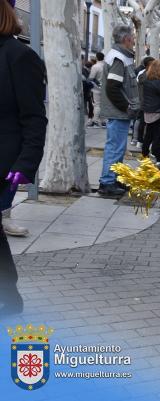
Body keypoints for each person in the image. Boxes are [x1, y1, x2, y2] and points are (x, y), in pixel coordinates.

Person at [0, 0, 47, 316]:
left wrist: (25, 166)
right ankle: (9, 294)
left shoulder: (19, 56)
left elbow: (34, 118)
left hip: (5, 163)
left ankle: (7, 294)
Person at [98, 25, 140, 197]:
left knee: (117, 147)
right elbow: (113, 87)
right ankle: (107, 182)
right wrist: (126, 107)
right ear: (126, 39)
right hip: (118, 112)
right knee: (115, 147)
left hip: (120, 111)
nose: (134, 40)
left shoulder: (121, 57)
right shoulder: (118, 58)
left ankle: (113, 179)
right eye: (133, 37)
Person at [142, 60, 160, 159]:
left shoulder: (147, 81)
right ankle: (157, 155)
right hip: (158, 112)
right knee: (157, 136)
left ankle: (144, 154)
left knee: (148, 135)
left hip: (147, 112)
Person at [88, 51, 106, 128]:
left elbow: (91, 78)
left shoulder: (95, 67)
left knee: (97, 105)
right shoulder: (106, 66)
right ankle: (103, 121)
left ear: (97, 58)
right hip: (105, 88)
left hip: (96, 88)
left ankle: (95, 121)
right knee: (103, 105)